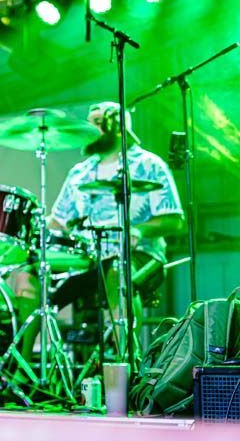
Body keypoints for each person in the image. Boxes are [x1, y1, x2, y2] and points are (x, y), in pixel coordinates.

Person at [14, 102, 184, 363]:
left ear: (116, 127)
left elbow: (174, 220)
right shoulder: (79, 172)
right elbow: (59, 221)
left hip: (138, 255)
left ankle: (125, 363)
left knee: (117, 273)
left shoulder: (149, 165)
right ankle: (22, 367)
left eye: (95, 123)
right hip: (88, 258)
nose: (88, 129)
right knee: (29, 276)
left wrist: (136, 230)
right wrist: (28, 226)